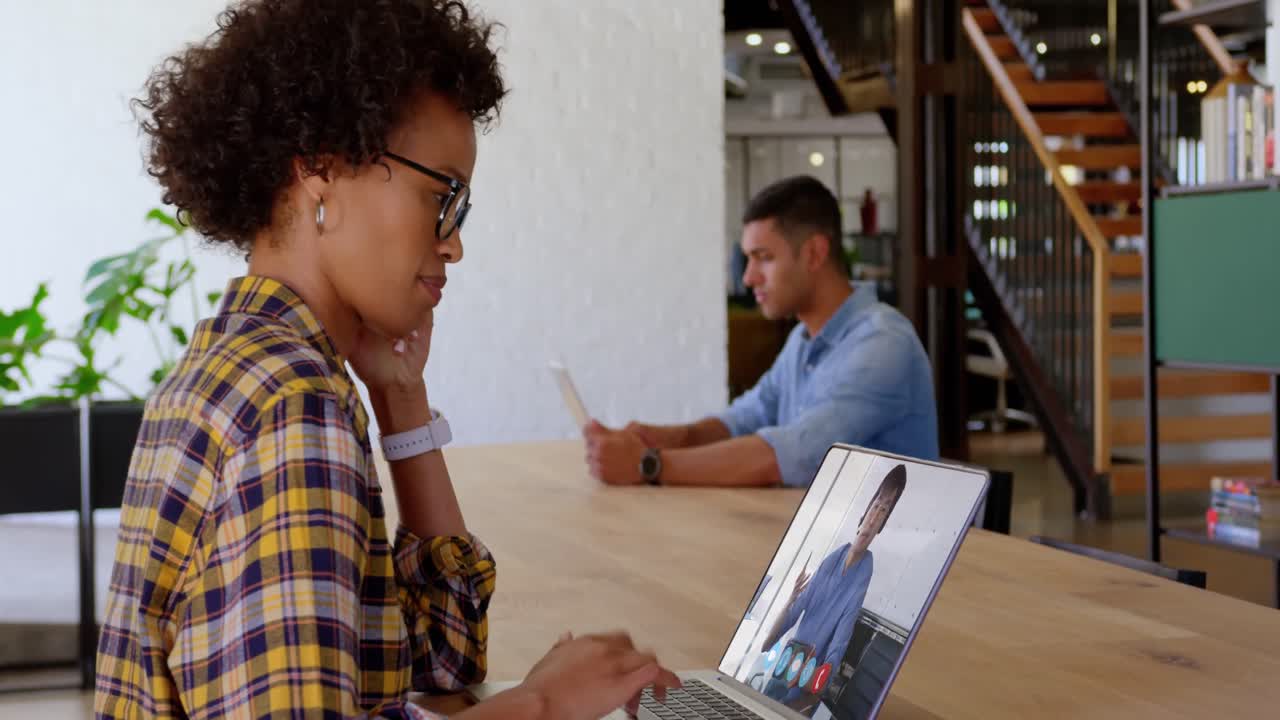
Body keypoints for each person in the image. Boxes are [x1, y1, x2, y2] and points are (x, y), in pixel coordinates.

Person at [93, 2, 676, 719]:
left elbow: (439, 657)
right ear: (320, 171)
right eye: (442, 196)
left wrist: (400, 398)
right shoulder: (288, 408)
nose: (454, 242)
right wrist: (544, 704)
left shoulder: (244, 360)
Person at [584, 177, 938, 488]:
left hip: (894, 557)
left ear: (814, 253)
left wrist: (648, 465)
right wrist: (671, 438)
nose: (749, 277)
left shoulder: (882, 343)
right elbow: (743, 420)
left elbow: (791, 456)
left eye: (763, 257)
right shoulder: (803, 341)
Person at [758, 464, 907, 710]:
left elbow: (840, 642)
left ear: (882, 525)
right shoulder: (833, 558)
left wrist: (807, 699)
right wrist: (791, 599)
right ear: (864, 513)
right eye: (875, 506)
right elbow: (770, 639)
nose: (875, 515)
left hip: (803, 690)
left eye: (884, 510)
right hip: (783, 671)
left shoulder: (864, 571)